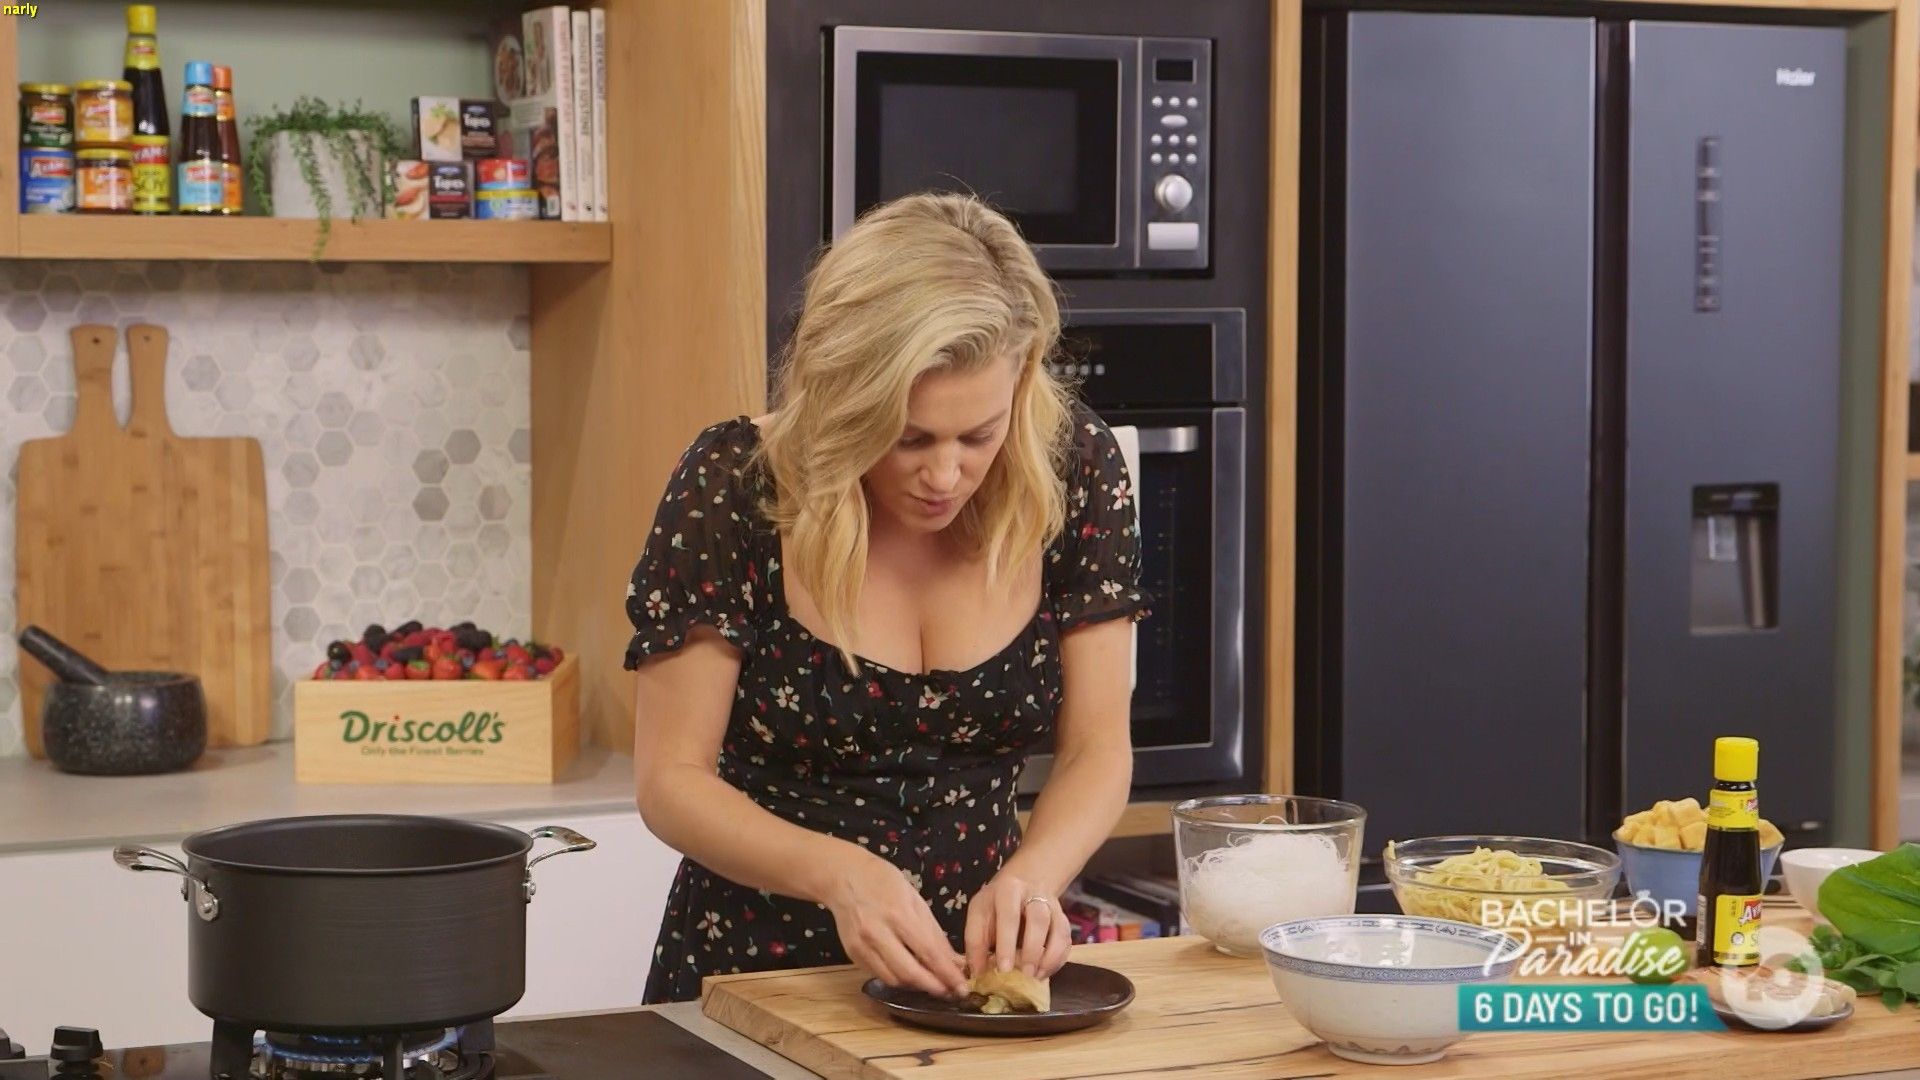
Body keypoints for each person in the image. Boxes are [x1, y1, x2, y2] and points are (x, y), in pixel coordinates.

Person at [624, 192, 1148, 1005]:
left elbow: (1097, 750)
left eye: (979, 435)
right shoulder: (736, 484)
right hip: (752, 982)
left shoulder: (1073, 470)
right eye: (908, 437)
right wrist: (839, 875)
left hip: (969, 990)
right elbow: (671, 781)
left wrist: (1036, 877)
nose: (945, 475)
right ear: (845, 398)